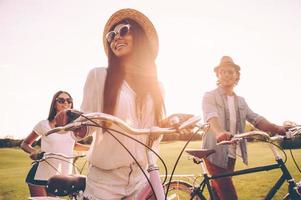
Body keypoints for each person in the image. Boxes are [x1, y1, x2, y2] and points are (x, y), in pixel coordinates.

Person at [201, 56, 289, 200]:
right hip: (214, 153)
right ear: (218, 75)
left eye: (230, 72)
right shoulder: (210, 96)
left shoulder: (240, 101)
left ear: (237, 75)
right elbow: (211, 116)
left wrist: (278, 128)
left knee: (218, 194)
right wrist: (220, 132)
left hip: (230, 154)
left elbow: (256, 119)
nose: (226, 75)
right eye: (222, 72)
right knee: (229, 196)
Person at [20, 91, 89, 197]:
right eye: (61, 100)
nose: (65, 103)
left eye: (69, 100)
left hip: (60, 177)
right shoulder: (43, 124)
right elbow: (25, 144)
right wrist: (34, 152)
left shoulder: (73, 127)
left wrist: (92, 148)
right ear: (54, 104)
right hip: (40, 174)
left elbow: (73, 145)